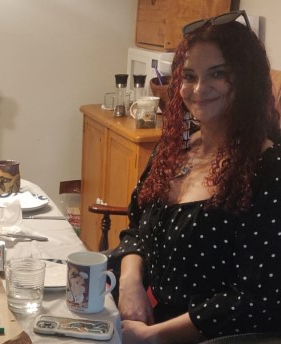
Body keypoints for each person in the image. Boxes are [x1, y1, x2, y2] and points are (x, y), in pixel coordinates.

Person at [108, 11, 281, 343]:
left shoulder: (270, 171)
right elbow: (135, 226)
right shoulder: (175, 150)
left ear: (247, 81)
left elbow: (253, 298)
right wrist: (130, 282)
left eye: (218, 74)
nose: (198, 89)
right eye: (188, 76)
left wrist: (154, 337)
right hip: (145, 320)